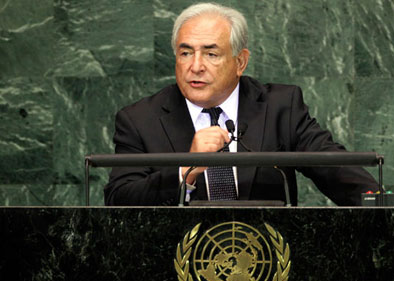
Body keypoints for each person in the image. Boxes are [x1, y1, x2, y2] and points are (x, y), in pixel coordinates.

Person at [104, 2, 379, 206]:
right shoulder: (140, 120)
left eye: (211, 53)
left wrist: (382, 205)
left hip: (267, 261)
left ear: (240, 62)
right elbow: (119, 200)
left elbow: (335, 169)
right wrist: (184, 171)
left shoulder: (280, 107)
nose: (195, 66)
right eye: (185, 52)